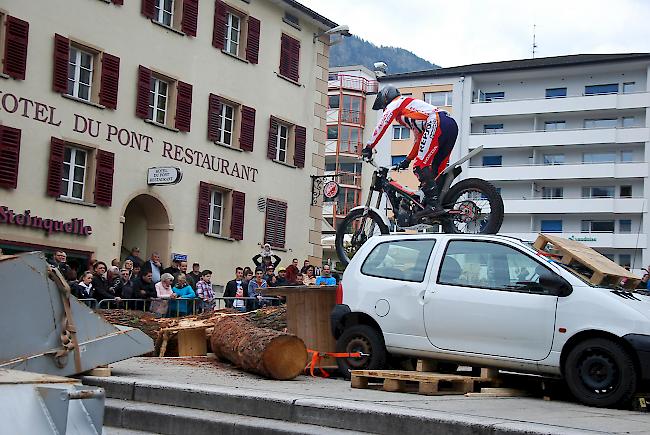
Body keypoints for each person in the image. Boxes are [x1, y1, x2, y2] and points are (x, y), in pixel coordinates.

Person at [362, 85, 459, 213]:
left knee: (419, 166)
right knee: (434, 171)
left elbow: (382, 124)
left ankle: (433, 205)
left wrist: (369, 146)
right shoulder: (413, 114)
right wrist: (407, 160)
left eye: (383, 107)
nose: (384, 110)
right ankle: (439, 205)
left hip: (437, 120)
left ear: (386, 98)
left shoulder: (396, 103)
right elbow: (419, 139)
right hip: (450, 124)